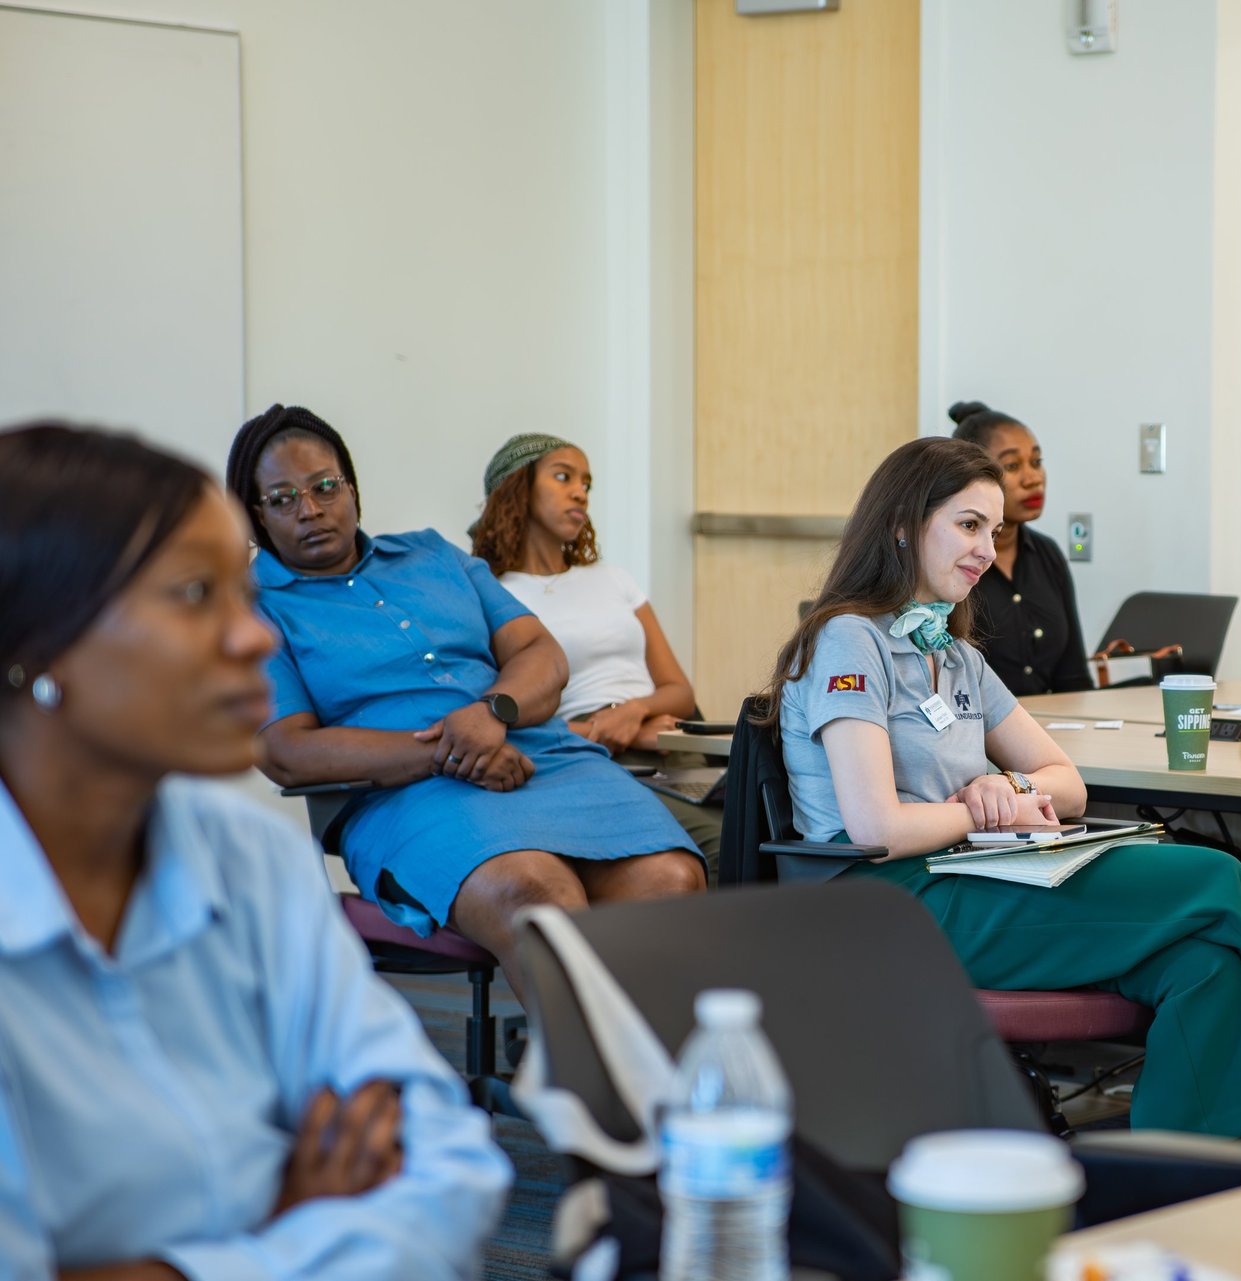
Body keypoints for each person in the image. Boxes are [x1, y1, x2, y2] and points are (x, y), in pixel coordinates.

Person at [0, 421, 511, 1278]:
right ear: (42, 647)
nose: (258, 639)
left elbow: (452, 1166)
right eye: (197, 595)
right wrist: (284, 1223)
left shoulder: (251, 860)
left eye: (243, 595)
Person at [763, 435, 1241, 1137]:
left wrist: (1005, 787)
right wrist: (981, 812)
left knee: (1203, 964)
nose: (986, 547)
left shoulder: (950, 649)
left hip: (971, 874)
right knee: (1215, 879)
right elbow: (874, 829)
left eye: (995, 528)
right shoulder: (849, 639)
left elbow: (1064, 785)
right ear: (900, 525)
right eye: (968, 524)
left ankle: (1187, 1182)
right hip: (888, 901)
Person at [227, 405, 705, 998]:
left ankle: (639, 1076)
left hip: (545, 758)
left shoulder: (434, 556)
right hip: (408, 798)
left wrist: (490, 714)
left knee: (671, 880)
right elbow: (285, 749)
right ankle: (584, 1085)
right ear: (255, 518)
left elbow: (540, 653)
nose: (310, 509)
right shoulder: (253, 608)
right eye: (282, 499)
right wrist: (451, 752)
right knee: (538, 893)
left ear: (352, 487)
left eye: (326, 486)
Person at [468, 432, 722, 873]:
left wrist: (633, 712)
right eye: (563, 477)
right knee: (719, 846)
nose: (580, 492)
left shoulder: (614, 580)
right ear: (517, 488)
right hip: (583, 756)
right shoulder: (492, 595)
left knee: (764, 832)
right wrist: (609, 729)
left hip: (667, 743)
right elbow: (504, 721)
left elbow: (679, 690)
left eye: (586, 482)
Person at [948, 401, 1093, 696]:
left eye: (1037, 462)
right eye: (1012, 466)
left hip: (1049, 732)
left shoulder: (1047, 554)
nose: (1033, 479)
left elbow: (1073, 679)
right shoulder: (950, 560)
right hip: (975, 732)